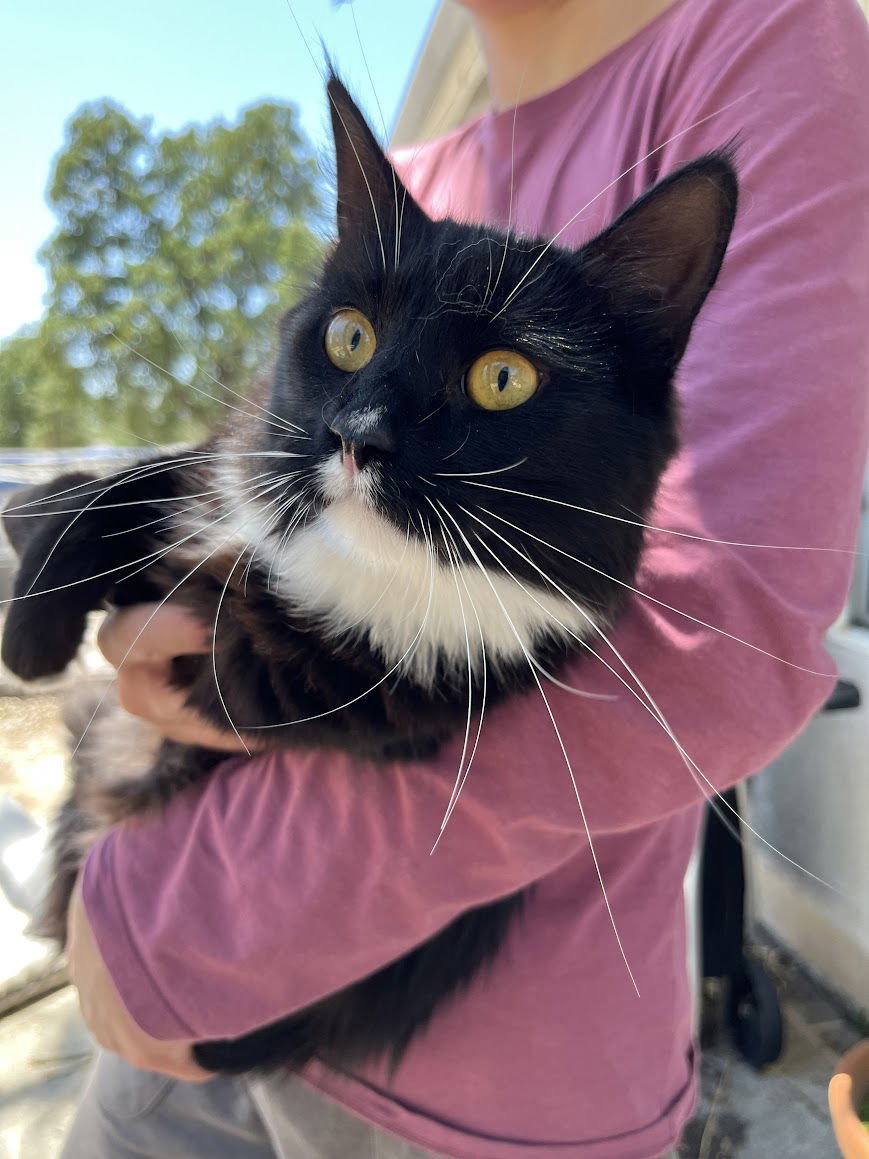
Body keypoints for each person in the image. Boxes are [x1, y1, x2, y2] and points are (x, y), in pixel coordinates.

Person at [59, 0, 869, 1156]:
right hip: (181, 1011)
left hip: (476, 1092)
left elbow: (724, 628)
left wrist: (180, 923)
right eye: (349, 346)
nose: (369, 420)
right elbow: (259, 462)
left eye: (494, 380)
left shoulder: (762, 39)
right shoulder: (416, 171)